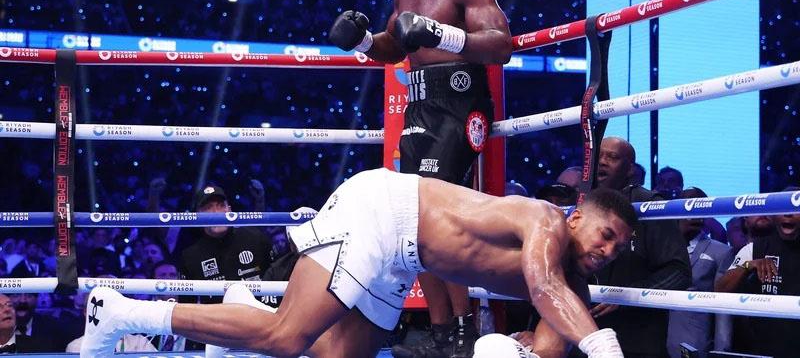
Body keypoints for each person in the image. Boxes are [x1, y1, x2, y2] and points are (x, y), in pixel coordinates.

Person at [81, 168, 635, 358]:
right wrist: (605, 346)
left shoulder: (572, 292)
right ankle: (125, 312)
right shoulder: (542, 219)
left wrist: (509, 349)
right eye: (606, 235)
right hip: (383, 213)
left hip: (402, 256)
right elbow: (539, 284)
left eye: (619, 249)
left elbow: (546, 341)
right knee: (285, 338)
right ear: (578, 218)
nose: (608, 252)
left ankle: (244, 304)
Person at [328, 0, 512, 355]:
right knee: (412, 219)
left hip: (462, 101)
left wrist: (441, 34)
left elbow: (501, 45)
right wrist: (364, 41)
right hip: (420, 104)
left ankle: (464, 329)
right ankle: (442, 331)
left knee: (440, 218)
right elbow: (396, 47)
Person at [588, 137, 691, 358]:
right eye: (600, 156)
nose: (603, 162)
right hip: (583, 337)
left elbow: (679, 272)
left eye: (613, 157)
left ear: (630, 169)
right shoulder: (581, 202)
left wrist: (627, 296)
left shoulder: (649, 205)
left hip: (637, 340)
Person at [715, 211, 800, 358]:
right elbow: (720, 289)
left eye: (795, 210)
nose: (788, 214)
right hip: (763, 346)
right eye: (783, 209)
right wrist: (748, 265)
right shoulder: (754, 249)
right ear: (774, 215)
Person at [179, 184, 274, 306]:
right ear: (197, 215)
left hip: (262, 316)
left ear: (229, 209)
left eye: (220, 206)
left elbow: (279, 276)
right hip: (217, 322)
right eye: (208, 208)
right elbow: (187, 306)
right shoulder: (190, 257)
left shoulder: (255, 238)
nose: (216, 213)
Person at [666, 191, 735, 358]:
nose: (696, 216)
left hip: (694, 344)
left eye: (700, 210)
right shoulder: (661, 248)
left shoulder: (721, 252)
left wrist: (721, 351)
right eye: (690, 208)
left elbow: (722, 306)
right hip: (653, 341)